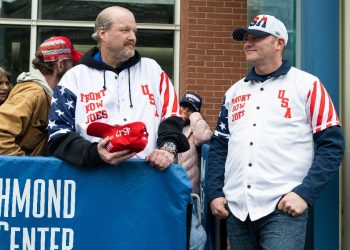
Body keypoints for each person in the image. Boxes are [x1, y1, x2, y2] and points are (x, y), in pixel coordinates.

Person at [206, 14, 345, 250]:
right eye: (246, 38)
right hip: (237, 208)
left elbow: (332, 145)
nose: (248, 42)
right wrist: (214, 192)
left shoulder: (308, 85)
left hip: (283, 205)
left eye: (257, 37)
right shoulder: (234, 91)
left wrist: (305, 193)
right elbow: (220, 146)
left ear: (279, 43)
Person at [46, 6, 189, 169]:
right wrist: (95, 153)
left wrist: (167, 149)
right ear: (103, 33)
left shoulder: (153, 70)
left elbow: (172, 116)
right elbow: (58, 135)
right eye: (125, 30)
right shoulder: (74, 78)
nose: (132, 37)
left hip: (147, 178)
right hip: (94, 180)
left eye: (134, 31)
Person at [0, 36, 82, 155]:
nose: (75, 70)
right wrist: (27, 168)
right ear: (60, 65)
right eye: (73, 64)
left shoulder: (47, 94)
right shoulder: (34, 93)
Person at [178, 92, 212, 250]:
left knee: (197, 238)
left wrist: (195, 116)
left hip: (189, 195)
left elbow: (205, 137)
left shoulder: (194, 129)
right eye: (183, 106)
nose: (185, 110)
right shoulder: (170, 125)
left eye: (190, 108)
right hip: (169, 192)